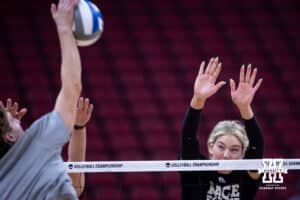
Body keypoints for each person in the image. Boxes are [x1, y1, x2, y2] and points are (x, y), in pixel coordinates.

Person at [0, 0, 83, 199]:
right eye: (12, 120)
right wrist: (64, 27)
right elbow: (72, 87)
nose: (18, 118)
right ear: (9, 137)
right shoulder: (37, 141)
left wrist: (5, 124)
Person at [180, 57, 264, 200]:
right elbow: (188, 138)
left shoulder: (248, 173)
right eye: (221, 147)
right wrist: (198, 98)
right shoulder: (196, 168)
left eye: (234, 149)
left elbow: (257, 144)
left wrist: (245, 107)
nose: (226, 155)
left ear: (243, 154)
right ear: (210, 146)